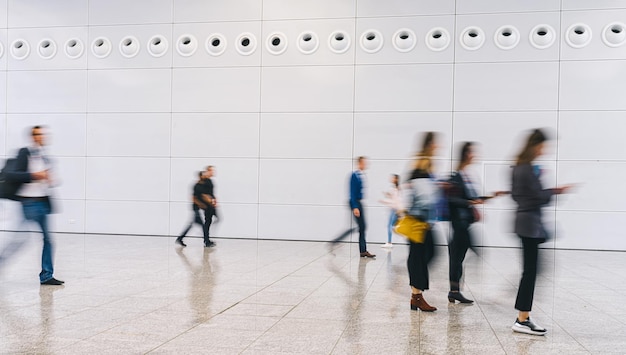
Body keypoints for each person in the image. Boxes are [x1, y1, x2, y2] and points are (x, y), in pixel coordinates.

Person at [511, 129, 572, 335]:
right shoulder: (526, 168)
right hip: (529, 225)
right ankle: (522, 318)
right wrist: (554, 191)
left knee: (531, 271)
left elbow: (519, 196)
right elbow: (535, 196)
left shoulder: (518, 167)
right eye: (542, 146)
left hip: (525, 224)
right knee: (530, 272)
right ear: (535, 146)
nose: (544, 150)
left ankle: (523, 316)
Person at [447, 142, 506, 304]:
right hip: (459, 223)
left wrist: (492, 196)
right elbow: (452, 199)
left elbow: (472, 198)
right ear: (465, 154)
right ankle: (454, 291)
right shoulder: (456, 176)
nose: (475, 155)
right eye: (472, 152)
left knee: (458, 257)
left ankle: (454, 291)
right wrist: (470, 203)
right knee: (458, 257)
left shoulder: (466, 175)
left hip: (465, 223)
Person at [6, 126, 63, 285]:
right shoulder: (25, 152)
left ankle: (46, 276)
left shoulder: (44, 156)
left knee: (48, 239)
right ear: (32, 136)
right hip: (29, 203)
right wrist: (35, 175)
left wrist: (49, 179)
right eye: (38, 134)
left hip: (42, 202)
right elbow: (12, 174)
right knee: (20, 239)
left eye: (43, 134)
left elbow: (49, 179)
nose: (41, 137)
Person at [406, 132, 439, 312]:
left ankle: (416, 295)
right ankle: (416, 296)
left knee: (421, 255)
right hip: (418, 220)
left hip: (423, 219)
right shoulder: (420, 167)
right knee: (421, 255)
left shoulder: (424, 167)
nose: (438, 146)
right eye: (435, 144)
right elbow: (424, 195)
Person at [331, 157, 375, 258]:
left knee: (361, 227)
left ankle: (363, 250)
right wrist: (355, 207)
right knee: (359, 227)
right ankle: (335, 242)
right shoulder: (354, 175)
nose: (366, 165)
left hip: (359, 202)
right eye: (364, 163)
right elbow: (351, 192)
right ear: (359, 163)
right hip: (355, 203)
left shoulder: (361, 175)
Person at [176, 171, 208, 247]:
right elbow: (193, 198)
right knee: (203, 226)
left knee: (192, 225)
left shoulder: (202, 185)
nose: (205, 177)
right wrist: (201, 204)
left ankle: (180, 238)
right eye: (203, 176)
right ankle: (207, 241)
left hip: (197, 209)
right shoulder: (196, 186)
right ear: (200, 176)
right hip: (195, 209)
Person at [380, 174, 401, 248]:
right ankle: (389, 241)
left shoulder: (396, 189)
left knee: (390, 226)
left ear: (396, 179)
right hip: (394, 209)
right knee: (391, 225)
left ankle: (389, 242)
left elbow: (395, 201)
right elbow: (393, 198)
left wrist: (383, 201)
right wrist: (387, 195)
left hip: (394, 209)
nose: (391, 179)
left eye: (393, 178)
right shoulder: (395, 188)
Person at [200, 166, 218, 248]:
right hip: (207, 205)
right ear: (207, 171)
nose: (213, 172)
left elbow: (211, 193)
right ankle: (206, 240)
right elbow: (203, 194)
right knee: (207, 222)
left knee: (212, 220)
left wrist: (215, 200)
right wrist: (209, 201)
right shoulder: (205, 181)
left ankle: (207, 239)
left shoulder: (210, 180)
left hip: (211, 204)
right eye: (211, 171)